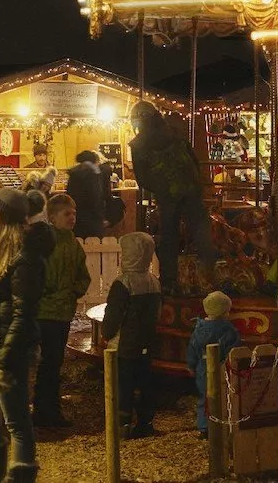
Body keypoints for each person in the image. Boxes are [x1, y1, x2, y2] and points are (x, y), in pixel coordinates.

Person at [0, 188, 50, 483]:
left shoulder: (25, 258)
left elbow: (22, 314)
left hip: (12, 347)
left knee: (16, 421)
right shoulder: (0, 250)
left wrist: (5, 361)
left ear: (6, 218)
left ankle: (20, 475)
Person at [127, 102, 216, 291]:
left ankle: (169, 280)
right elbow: (193, 160)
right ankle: (209, 275)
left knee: (169, 236)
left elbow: (142, 177)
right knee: (201, 231)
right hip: (190, 189)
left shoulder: (139, 144)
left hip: (167, 194)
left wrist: (159, 188)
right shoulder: (175, 133)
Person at [34, 193, 90, 428]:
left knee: (53, 363)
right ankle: (45, 410)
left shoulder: (72, 243)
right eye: (67, 214)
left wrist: (73, 291)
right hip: (46, 312)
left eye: (74, 213)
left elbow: (82, 275)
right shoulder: (45, 242)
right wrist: (55, 291)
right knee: (48, 363)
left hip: (62, 311)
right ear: (53, 217)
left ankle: (47, 409)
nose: (73, 218)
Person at [103, 231, 162, 439]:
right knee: (145, 382)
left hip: (124, 343)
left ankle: (122, 425)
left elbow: (114, 314)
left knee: (123, 385)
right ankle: (146, 422)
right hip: (146, 341)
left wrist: (106, 333)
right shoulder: (154, 281)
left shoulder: (123, 283)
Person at [186, 291, 241, 436]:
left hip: (202, 368)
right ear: (224, 312)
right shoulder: (227, 330)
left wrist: (191, 365)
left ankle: (204, 427)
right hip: (222, 368)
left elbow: (192, 347)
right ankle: (222, 424)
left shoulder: (199, 329)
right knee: (224, 397)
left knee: (205, 397)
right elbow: (233, 349)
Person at [66, 149, 111, 239]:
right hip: (93, 220)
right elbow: (97, 197)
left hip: (76, 218)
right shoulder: (94, 174)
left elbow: (69, 195)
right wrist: (101, 217)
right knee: (95, 248)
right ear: (94, 161)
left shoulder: (73, 174)